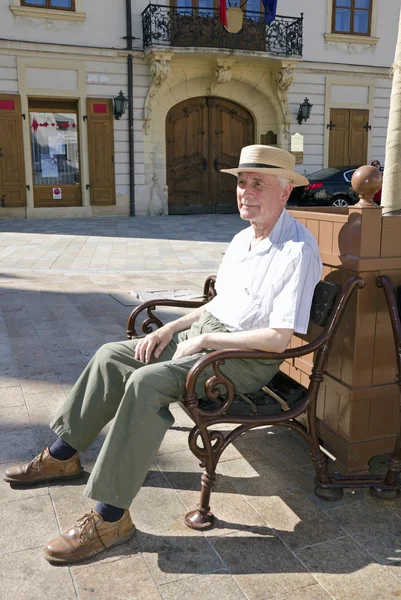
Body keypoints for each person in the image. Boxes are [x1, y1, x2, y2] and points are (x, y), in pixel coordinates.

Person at [4, 145, 322, 565]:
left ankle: (110, 517)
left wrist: (206, 343)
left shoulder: (297, 251)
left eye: (257, 184)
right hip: (210, 338)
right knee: (113, 356)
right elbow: (219, 304)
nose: (245, 192)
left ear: (285, 192)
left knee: (145, 382)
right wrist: (174, 327)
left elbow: (278, 341)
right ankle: (64, 455)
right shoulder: (244, 237)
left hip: (244, 358)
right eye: (242, 182)